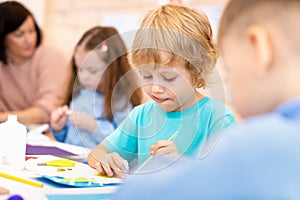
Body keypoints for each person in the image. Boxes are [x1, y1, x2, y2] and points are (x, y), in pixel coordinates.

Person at [112, 0, 300, 199]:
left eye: (230, 70)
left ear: (259, 49)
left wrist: (164, 167)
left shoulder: (256, 144)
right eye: (147, 76)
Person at [87, 3, 235, 178]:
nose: (156, 89)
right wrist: (106, 159)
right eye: (147, 76)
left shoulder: (217, 119)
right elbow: (96, 154)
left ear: (198, 70)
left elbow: (228, 179)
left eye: (168, 78)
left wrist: (182, 163)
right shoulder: (142, 115)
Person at [50, 26, 143, 149]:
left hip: (97, 165)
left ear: (112, 69)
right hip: (70, 163)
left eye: (92, 71)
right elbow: (68, 139)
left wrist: (93, 126)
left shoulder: (121, 102)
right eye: (80, 69)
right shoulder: (79, 94)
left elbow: (125, 143)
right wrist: (58, 128)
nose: (84, 77)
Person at [0, 1, 70, 124]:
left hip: (48, 134)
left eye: (32, 31)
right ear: (3, 38)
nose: (29, 39)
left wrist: (4, 118)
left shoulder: (51, 57)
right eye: (19, 34)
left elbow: (47, 111)